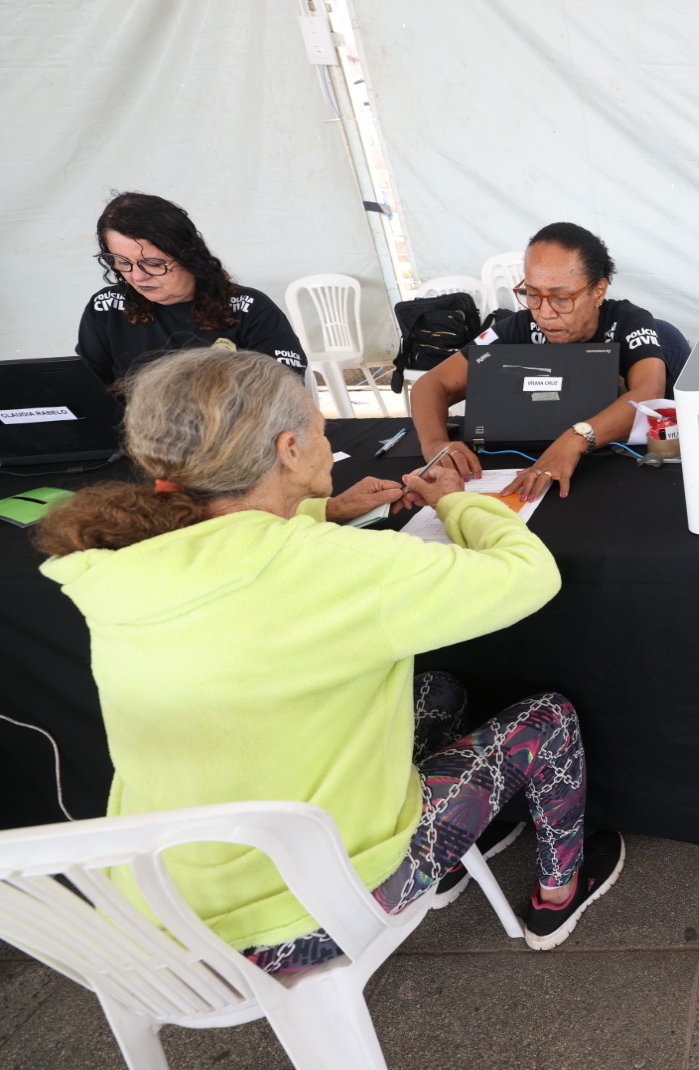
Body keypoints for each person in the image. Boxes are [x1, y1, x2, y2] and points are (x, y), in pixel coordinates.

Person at [35, 347, 623, 968]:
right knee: (548, 720)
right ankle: (557, 894)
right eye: (321, 430)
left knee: (439, 689)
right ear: (289, 449)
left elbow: (236, 543)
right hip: (311, 915)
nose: (328, 442)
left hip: (161, 917)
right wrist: (456, 500)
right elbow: (529, 575)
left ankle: (453, 863)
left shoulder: (120, 561)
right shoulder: (335, 567)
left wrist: (324, 509)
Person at [410, 222, 669, 501]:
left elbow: (648, 393)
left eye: (561, 298)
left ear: (598, 291)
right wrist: (435, 443)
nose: (544, 313)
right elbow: (431, 383)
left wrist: (576, 439)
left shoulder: (629, 322)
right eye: (532, 295)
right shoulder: (519, 326)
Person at [74, 192, 306, 386]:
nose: (137, 276)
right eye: (122, 262)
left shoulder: (249, 308)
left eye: (153, 264)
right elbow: (88, 388)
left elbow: (285, 390)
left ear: (188, 255)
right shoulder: (107, 307)